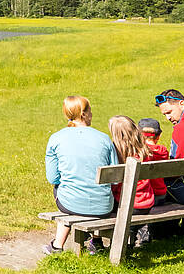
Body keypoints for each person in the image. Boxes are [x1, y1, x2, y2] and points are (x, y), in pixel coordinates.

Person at [44, 95, 117, 255]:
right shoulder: (104, 138)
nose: (92, 114)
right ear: (83, 114)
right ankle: (96, 241)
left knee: (60, 187)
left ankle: (57, 245)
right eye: (90, 111)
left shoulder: (56, 138)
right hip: (103, 206)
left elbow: (53, 178)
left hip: (70, 204)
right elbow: (115, 177)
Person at [107, 115, 163, 249]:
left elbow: (114, 186)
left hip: (126, 205)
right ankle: (139, 230)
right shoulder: (145, 152)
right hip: (146, 203)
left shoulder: (117, 155)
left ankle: (123, 238)